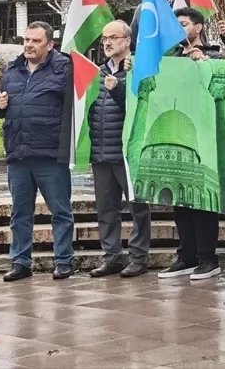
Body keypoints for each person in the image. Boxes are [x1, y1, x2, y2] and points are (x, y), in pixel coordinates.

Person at [0, 22, 75, 282]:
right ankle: (21, 262)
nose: (28, 44)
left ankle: (63, 261)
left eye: (35, 41)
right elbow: (2, 109)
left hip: (50, 154)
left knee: (60, 211)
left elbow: (77, 104)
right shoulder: (12, 70)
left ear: (50, 45)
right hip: (18, 153)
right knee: (20, 213)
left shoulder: (64, 69)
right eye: (26, 39)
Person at [158, 8, 223, 280]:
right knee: (180, 200)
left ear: (198, 27)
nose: (178, 29)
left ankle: (208, 258)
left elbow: (221, 85)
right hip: (174, 137)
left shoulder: (215, 54)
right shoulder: (169, 59)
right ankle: (186, 255)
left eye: (183, 24)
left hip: (204, 136)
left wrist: (204, 63)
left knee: (202, 202)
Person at [88, 20, 150, 278]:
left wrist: (120, 88)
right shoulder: (97, 73)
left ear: (127, 41)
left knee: (138, 207)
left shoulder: (137, 70)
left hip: (127, 153)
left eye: (113, 37)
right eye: (104, 39)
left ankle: (138, 257)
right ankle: (112, 257)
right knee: (106, 209)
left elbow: (141, 104)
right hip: (101, 151)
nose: (107, 43)